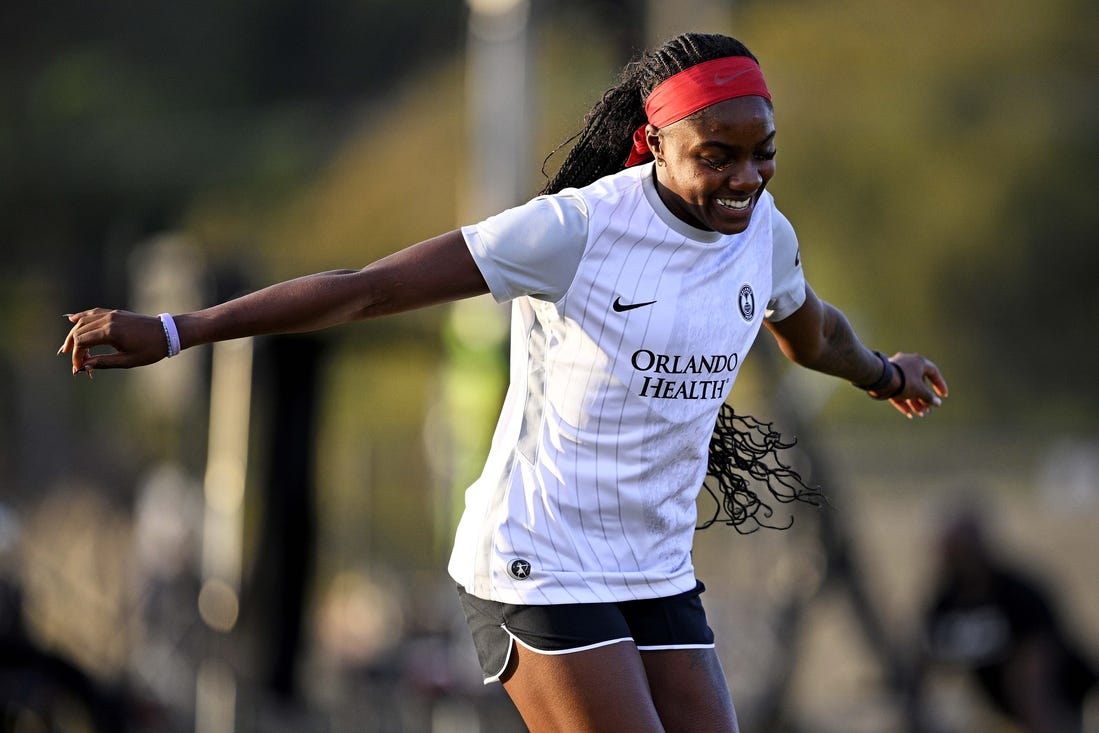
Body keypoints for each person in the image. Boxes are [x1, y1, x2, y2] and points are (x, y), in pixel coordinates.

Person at [59, 32, 948, 733]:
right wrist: (178, 329)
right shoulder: (573, 231)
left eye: (764, 154)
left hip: (653, 567)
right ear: (656, 143)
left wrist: (881, 373)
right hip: (540, 560)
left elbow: (813, 331)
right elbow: (364, 288)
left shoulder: (764, 234)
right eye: (716, 155)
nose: (745, 178)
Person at [916, 504, 1096, 733]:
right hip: (1003, 710)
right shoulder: (947, 599)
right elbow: (924, 657)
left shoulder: (1019, 595)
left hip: (1058, 700)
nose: (953, 559)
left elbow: (1036, 676)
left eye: (961, 550)